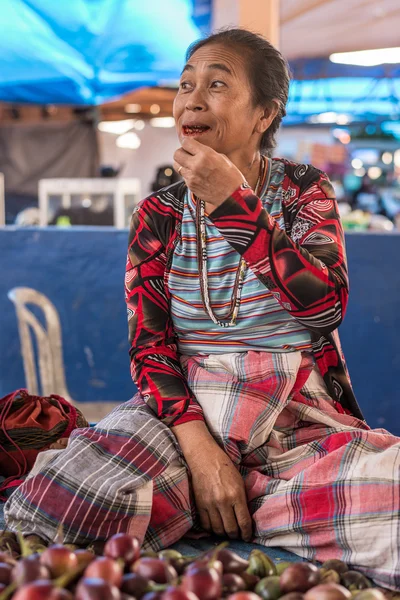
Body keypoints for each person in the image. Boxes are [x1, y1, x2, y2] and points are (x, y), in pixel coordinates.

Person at [5, 29, 400, 590]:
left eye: (217, 84)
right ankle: (262, 511)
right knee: (61, 500)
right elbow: (150, 348)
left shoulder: (304, 191)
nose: (191, 98)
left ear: (264, 114)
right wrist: (202, 454)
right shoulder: (158, 214)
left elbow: (325, 307)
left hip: (295, 423)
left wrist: (233, 205)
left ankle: (245, 506)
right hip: (185, 419)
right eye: (186, 84)